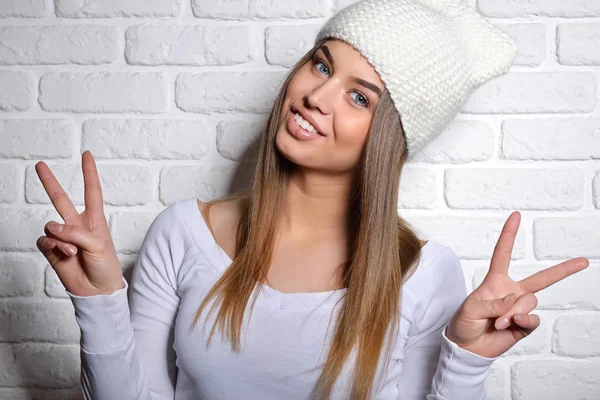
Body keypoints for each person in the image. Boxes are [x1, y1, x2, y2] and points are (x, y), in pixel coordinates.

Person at [34, 0, 589, 399]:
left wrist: (469, 361)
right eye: (321, 64)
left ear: (393, 137)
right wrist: (100, 299)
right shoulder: (182, 233)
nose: (315, 96)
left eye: (358, 96)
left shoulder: (423, 272)